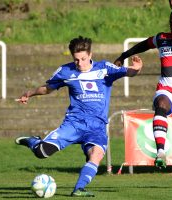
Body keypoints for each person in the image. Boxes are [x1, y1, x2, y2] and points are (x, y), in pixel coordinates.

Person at [15, 36, 143, 197]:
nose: (80, 63)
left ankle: (79, 189)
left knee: (96, 155)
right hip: (74, 124)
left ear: (90, 55)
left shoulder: (104, 68)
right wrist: (29, 94)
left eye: (83, 59)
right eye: (76, 60)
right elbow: (47, 89)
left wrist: (137, 68)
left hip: (97, 127)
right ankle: (33, 140)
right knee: (42, 152)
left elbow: (129, 72)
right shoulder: (65, 71)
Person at [114, 0, 172, 189]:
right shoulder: (161, 38)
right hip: (167, 90)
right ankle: (161, 152)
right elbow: (143, 45)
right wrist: (124, 55)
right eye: (171, 22)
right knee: (161, 105)